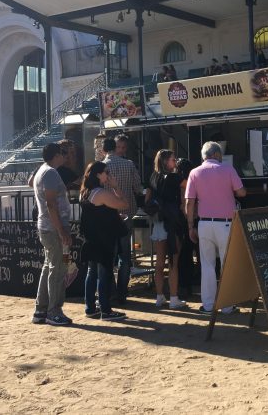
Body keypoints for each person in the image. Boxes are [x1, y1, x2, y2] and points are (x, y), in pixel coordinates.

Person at [185, 142, 246, 314]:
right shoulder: (228, 169)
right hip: (226, 223)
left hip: (204, 223)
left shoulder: (194, 172)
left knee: (206, 264)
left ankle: (209, 305)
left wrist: (190, 225)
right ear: (218, 154)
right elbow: (241, 193)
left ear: (204, 155)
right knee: (227, 264)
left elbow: (189, 202)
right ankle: (227, 305)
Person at [79, 161, 127, 321]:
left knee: (92, 272)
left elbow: (97, 214)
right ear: (98, 174)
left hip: (91, 238)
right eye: (106, 172)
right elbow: (123, 204)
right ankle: (105, 310)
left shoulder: (85, 192)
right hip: (103, 238)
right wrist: (115, 186)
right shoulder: (100, 193)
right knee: (104, 273)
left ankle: (90, 307)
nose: (109, 175)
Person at [31, 143, 73, 327]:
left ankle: (41, 309)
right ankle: (53, 311)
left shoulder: (43, 171)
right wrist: (62, 230)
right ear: (56, 155)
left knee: (49, 266)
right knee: (58, 269)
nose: (66, 157)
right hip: (53, 228)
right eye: (63, 153)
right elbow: (51, 204)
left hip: (48, 227)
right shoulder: (50, 173)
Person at [103, 135, 142, 303]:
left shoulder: (101, 166)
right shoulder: (129, 164)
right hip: (127, 213)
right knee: (125, 256)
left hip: (107, 214)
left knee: (108, 256)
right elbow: (138, 188)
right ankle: (122, 292)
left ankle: (110, 291)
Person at [147, 150, 188, 310]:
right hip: (172, 222)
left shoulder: (152, 177)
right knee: (173, 263)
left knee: (159, 263)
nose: (175, 161)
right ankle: (174, 298)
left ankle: (159, 297)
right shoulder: (176, 177)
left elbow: (147, 200)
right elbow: (189, 187)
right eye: (173, 159)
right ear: (165, 162)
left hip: (158, 223)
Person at [176, 158, 196, 299]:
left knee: (183, 255)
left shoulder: (177, 182)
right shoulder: (194, 182)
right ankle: (193, 282)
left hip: (181, 221)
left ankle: (184, 286)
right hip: (196, 218)